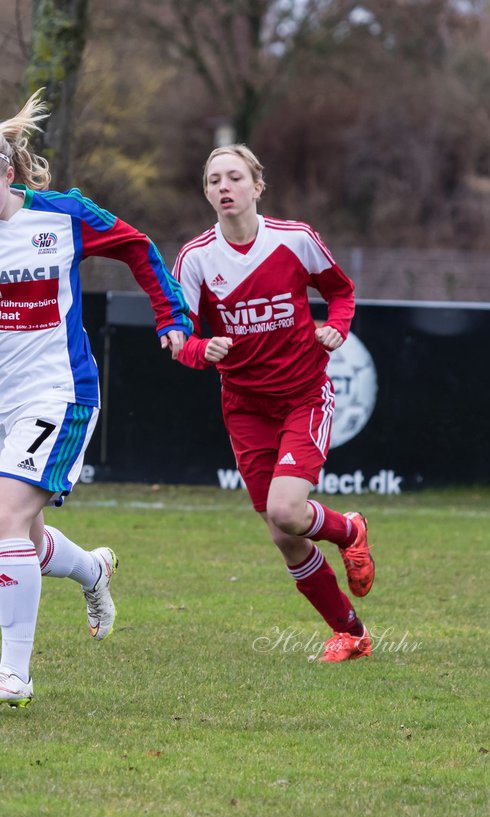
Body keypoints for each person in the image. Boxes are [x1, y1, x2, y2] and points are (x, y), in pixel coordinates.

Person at [0, 90, 192, 706]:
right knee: (21, 536)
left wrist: (171, 316)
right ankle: (93, 570)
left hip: (61, 391)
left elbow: (138, 246)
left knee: (1, 519)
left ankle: (15, 674)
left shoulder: (63, 215)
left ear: (9, 174)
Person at [173, 143, 376, 663]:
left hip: (304, 396)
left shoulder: (295, 239)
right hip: (244, 406)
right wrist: (202, 348)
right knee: (282, 533)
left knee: (287, 511)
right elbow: (176, 335)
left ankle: (349, 529)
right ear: (206, 192)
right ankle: (350, 632)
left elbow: (342, 291)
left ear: (257, 187)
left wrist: (336, 327)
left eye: (235, 177)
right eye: (214, 179)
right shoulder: (196, 258)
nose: (224, 187)